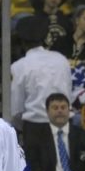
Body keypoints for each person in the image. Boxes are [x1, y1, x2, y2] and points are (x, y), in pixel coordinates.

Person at [11, 15, 72, 147]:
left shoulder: (19, 66)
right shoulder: (61, 59)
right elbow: (69, 95)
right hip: (62, 123)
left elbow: (16, 109)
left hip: (34, 127)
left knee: (36, 168)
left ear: (21, 42)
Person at [23, 92, 85, 171]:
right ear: (47, 112)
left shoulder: (84, 135)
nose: (60, 111)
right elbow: (33, 168)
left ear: (69, 111)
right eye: (55, 108)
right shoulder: (36, 137)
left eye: (63, 107)